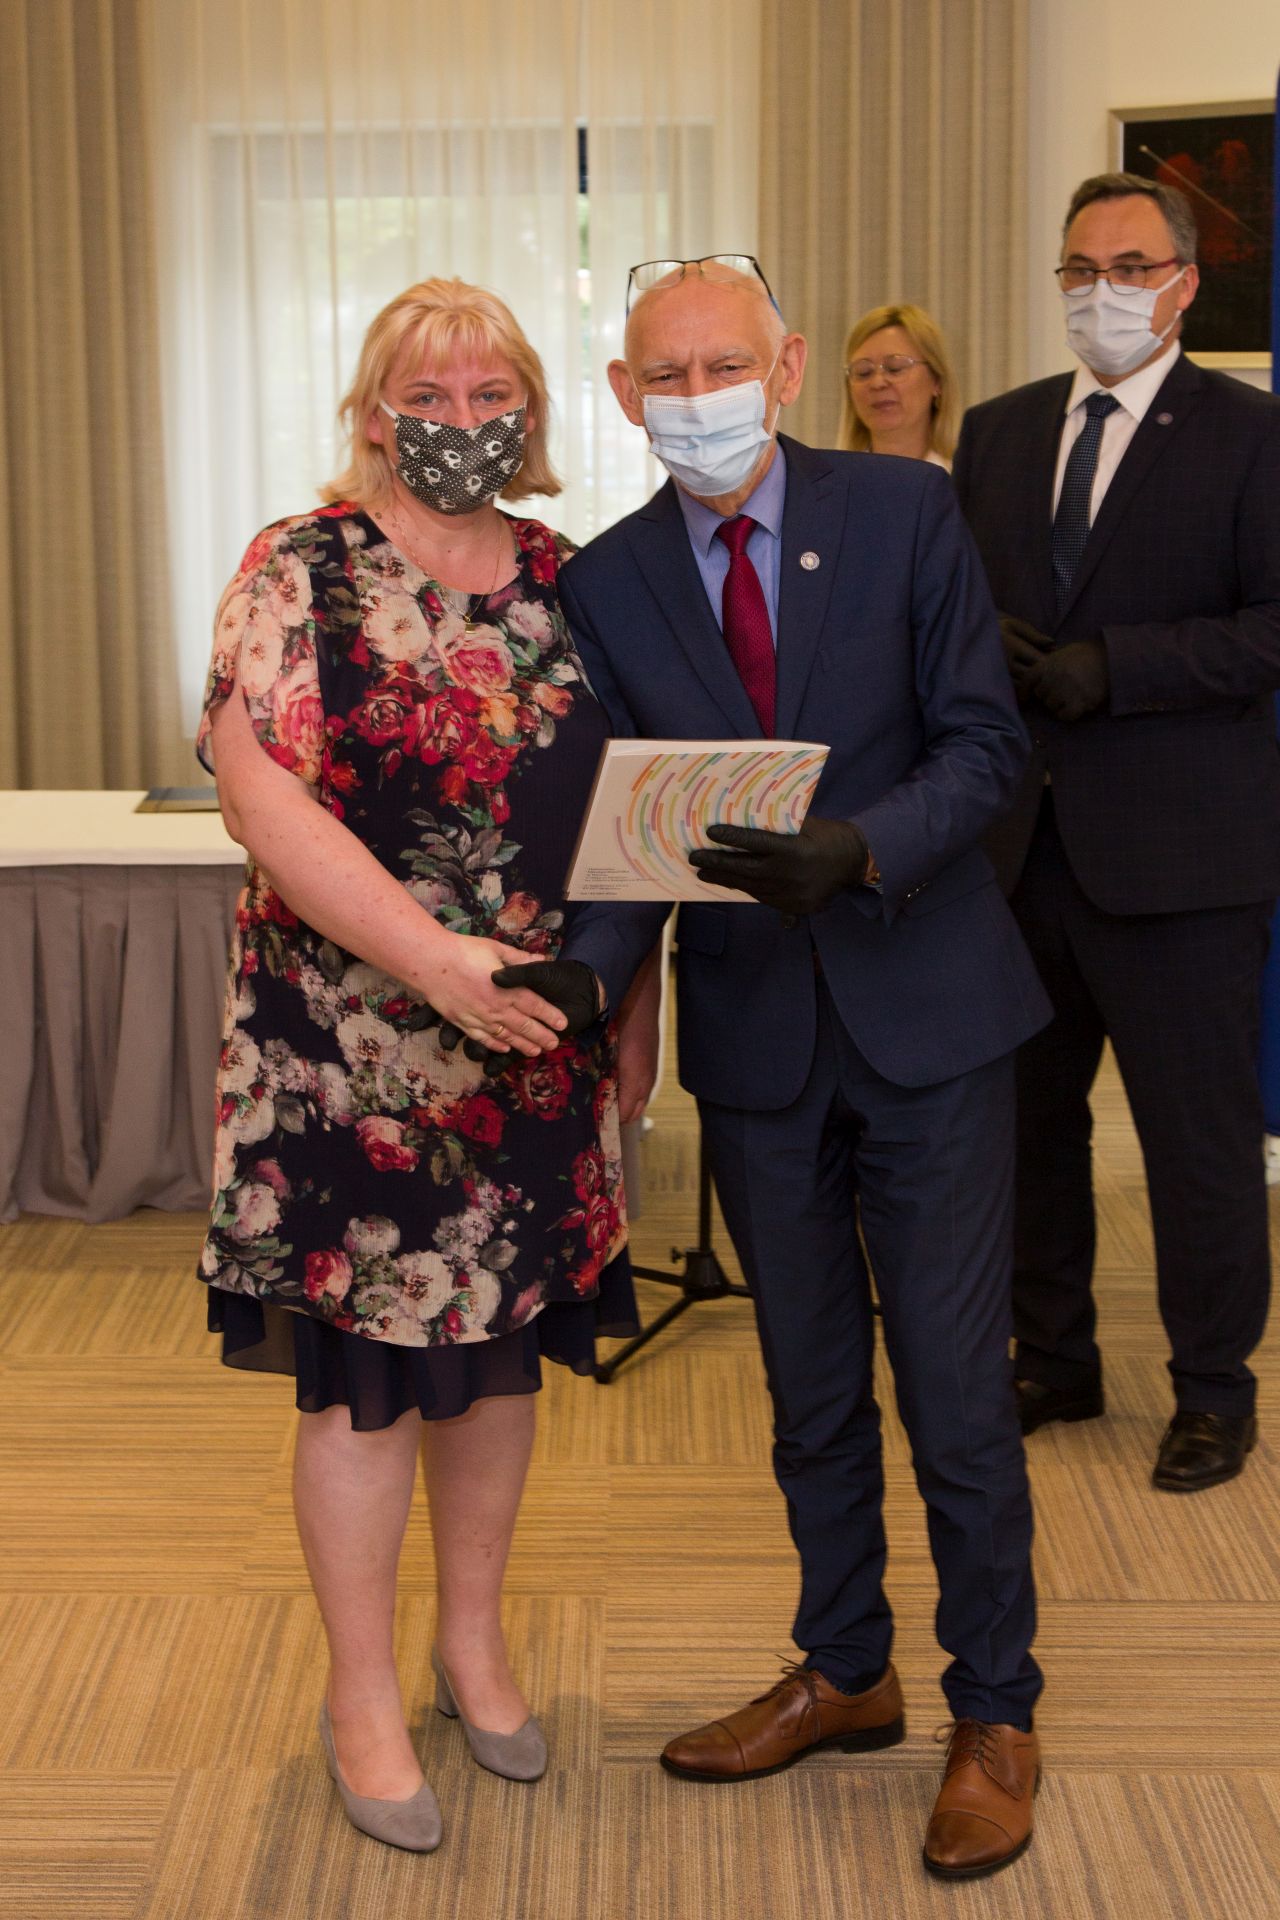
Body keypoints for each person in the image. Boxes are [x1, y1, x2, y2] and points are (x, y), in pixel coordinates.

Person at [558, 254, 1053, 1880]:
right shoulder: (610, 581)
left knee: (958, 1394)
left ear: (781, 371)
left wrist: (864, 846)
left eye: (726, 364)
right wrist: (583, 979)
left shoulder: (905, 512)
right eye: (665, 374)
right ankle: (847, 1670)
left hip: (930, 1018)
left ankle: (996, 1709)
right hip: (760, 1040)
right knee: (808, 1390)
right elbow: (630, 826)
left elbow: (986, 742)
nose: (697, 396)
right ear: (627, 396)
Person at [199, 277, 643, 1851]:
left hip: (531, 1052)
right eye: (429, 396)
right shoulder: (301, 567)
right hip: (349, 1058)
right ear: (376, 412)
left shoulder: (577, 582)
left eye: (490, 395)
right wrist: (438, 962)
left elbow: (628, 812)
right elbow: (260, 798)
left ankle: (472, 1642)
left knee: (500, 1362)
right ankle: (361, 1693)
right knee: (368, 1394)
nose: (462, 422)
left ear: (532, 409)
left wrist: (628, 1016)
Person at [952, 173, 1280, 1492]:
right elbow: (949, 608)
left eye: (1131, 268)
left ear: (1185, 283)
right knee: (1029, 1134)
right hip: (1016, 856)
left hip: (1183, 860)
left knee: (1196, 1145)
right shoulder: (997, 432)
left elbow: (1273, 627)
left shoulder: (1252, 434)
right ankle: (1053, 1357)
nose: (1103, 293)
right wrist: (978, 641)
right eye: (1080, 270)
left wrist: (1120, 665)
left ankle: (1212, 1388)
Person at [837, 301, 958, 467]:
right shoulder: (830, 480)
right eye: (863, 372)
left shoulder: (963, 479)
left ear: (937, 380)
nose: (877, 383)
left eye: (895, 368)